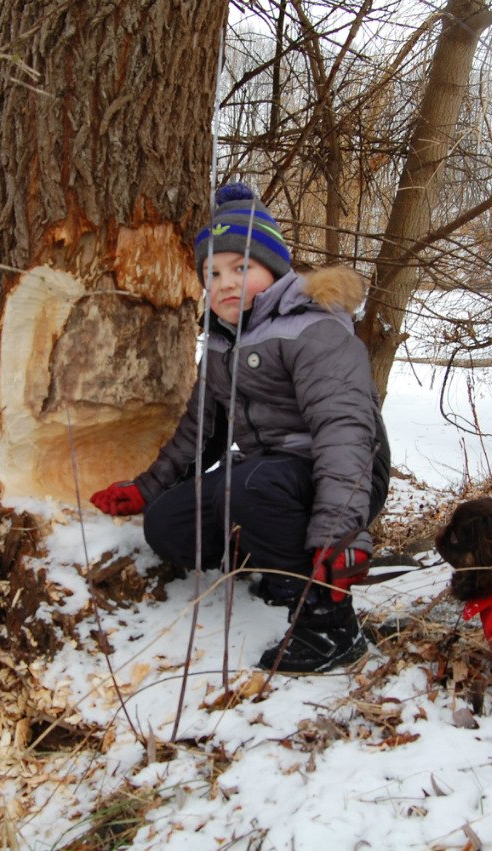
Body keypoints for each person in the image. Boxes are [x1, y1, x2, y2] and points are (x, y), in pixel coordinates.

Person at [90, 182, 391, 673]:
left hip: (345, 476)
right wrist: (147, 489)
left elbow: (346, 432)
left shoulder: (313, 327)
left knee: (249, 485)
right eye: (212, 273)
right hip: (268, 480)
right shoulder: (222, 342)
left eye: (241, 268)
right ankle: (277, 569)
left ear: (275, 269)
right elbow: (201, 431)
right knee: (168, 525)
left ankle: (330, 625)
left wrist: (340, 532)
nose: (225, 283)